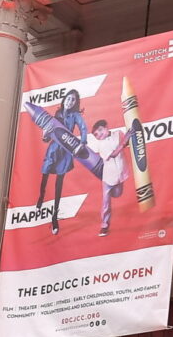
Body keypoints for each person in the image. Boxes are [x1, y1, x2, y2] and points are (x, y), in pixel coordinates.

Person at [24, 90, 100, 232]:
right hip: (53, 149)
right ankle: (41, 197)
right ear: (64, 99)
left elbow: (83, 128)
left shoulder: (76, 115)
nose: (70, 101)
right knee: (45, 175)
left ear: (75, 103)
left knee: (59, 184)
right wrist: (45, 135)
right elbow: (47, 137)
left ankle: (54, 218)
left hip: (66, 151)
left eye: (73, 100)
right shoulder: (56, 114)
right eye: (68, 98)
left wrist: (82, 142)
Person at [85, 118, 128, 236]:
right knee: (106, 201)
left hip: (120, 173)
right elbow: (114, 154)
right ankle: (104, 226)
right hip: (108, 177)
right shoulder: (101, 145)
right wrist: (125, 140)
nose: (99, 134)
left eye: (100, 130)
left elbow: (127, 142)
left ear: (106, 126)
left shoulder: (118, 134)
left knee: (118, 194)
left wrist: (128, 136)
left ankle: (115, 191)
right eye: (95, 134)